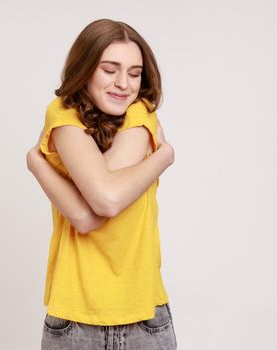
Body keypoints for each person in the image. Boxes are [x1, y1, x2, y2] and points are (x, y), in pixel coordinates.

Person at [26, 18, 177, 349]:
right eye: (110, 69)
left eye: (134, 73)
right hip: (75, 322)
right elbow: (101, 206)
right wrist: (162, 157)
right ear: (85, 69)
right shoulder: (62, 115)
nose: (124, 83)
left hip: (145, 318)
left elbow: (98, 203)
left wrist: (37, 163)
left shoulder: (141, 113)